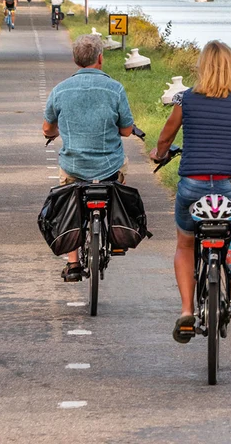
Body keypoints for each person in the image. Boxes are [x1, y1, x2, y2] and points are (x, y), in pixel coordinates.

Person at [150, 41, 231, 344]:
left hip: (193, 186)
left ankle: (185, 311)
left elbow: (166, 136)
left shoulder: (186, 100)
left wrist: (160, 153)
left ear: (202, 67)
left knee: (185, 245)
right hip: (230, 186)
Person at [42, 34, 136, 281]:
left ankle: (73, 263)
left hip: (74, 166)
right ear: (100, 59)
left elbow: (47, 128)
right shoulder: (115, 88)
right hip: (109, 167)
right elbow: (126, 130)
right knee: (121, 176)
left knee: (68, 203)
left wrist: (55, 132)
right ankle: (116, 237)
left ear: (75, 60)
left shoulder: (60, 90)